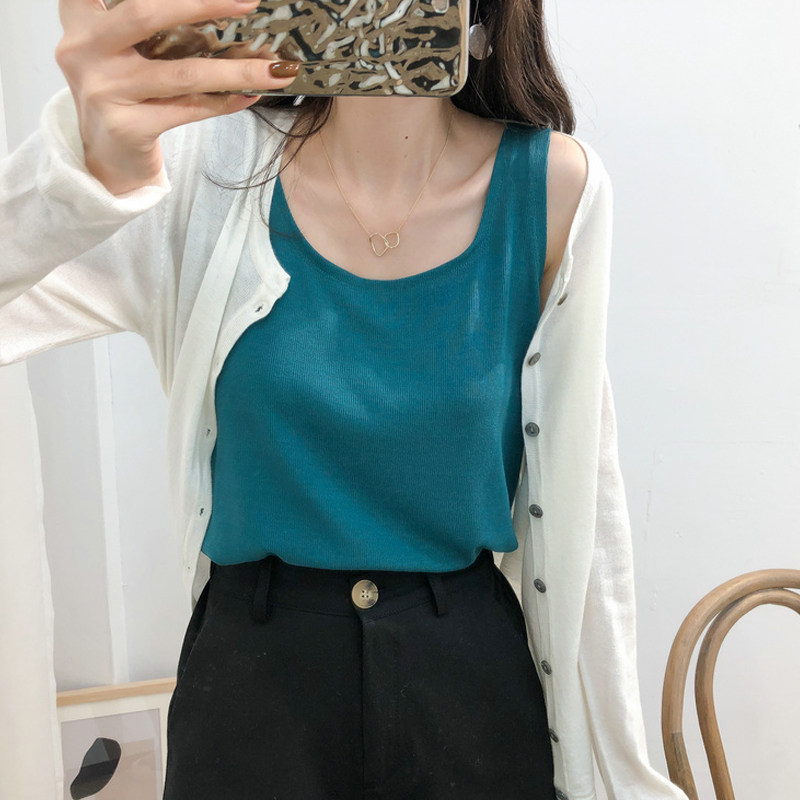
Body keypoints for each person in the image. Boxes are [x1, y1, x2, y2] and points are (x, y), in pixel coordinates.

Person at [0, 1, 691, 799]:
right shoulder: (202, 166)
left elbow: (582, 503)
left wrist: (616, 776)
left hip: (469, 691)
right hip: (251, 694)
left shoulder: (555, 187)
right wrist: (77, 170)